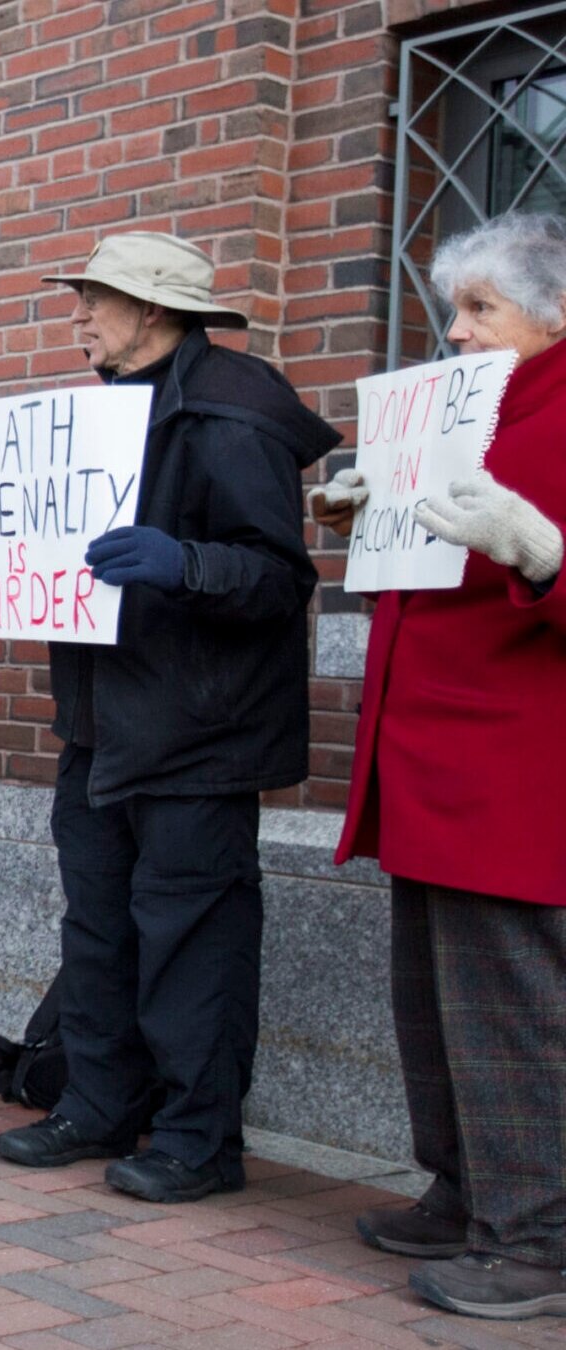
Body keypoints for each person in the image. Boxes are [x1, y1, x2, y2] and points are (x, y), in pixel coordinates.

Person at [0, 232, 338, 1202]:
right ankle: (100, 1106)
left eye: (93, 302)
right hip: (104, 722)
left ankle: (199, 1141)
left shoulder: (234, 417)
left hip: (203, 731)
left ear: (152, 311)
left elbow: (281, 578)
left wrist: (186, 562)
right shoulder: (92, 417)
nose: (76, 318)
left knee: (194, 940)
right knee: (100, 930)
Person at [312, 213, 566, 1320]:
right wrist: (378, 517)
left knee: (517, 1018)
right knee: (436, 1003)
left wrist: (547, 557)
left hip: (520, 775)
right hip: (432, 761)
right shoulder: (472, 410)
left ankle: (538, 1240)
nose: (456, 332)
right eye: (453, 309)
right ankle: (466, 1191)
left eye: (481, 310)